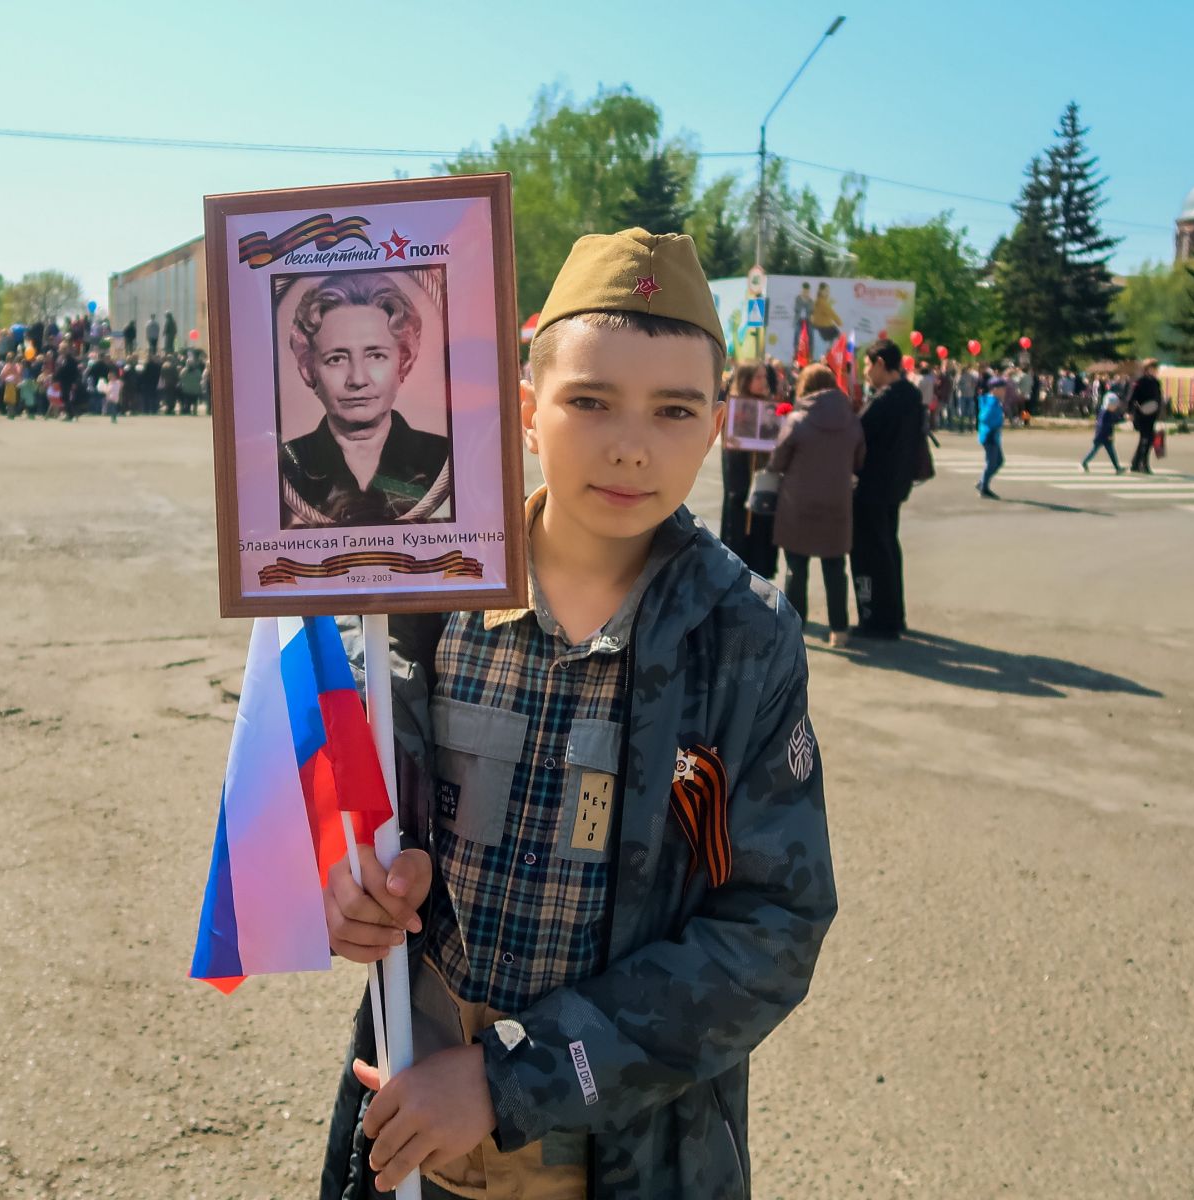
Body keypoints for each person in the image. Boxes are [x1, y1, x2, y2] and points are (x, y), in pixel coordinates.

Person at [318, 227, 834, 1200]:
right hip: (409, 1118)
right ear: (527, 409)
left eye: (675, 410)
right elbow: (350, 794)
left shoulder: (741, 638)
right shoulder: (430, 591)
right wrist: (348, 885)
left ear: (717, 423)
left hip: (625, 1149)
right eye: (590, 400)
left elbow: (774, 925)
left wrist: (515, 1077)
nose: (632, 444)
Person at [279, 272, 451, 527]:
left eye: (376, 356)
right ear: (309, 368)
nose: (358, 379)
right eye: (336, 358)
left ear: (403, 361)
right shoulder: (286, 465)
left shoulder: (444, 457)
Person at [771, 362, 864, 647]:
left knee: (796, 567)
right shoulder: (852, 420)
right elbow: (859, 460)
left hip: (798, 502)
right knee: (835, 567)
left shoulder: (798, 420)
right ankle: (840, 629)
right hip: (837, 502)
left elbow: (778, 461)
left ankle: (795, 627)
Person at [851, 339, 924, 639]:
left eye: (868, 365)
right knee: (889, 548)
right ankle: (894, 614)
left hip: (872, 487)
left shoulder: (884, 401)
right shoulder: (912, 395)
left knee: (870, 554)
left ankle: (876, 619)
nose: (866, 372)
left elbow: (858, 433)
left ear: (881, 363)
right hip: (896, 485)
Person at [717, 361, 780, 577]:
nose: (764, 382)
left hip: (763, 485)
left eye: (765, 377)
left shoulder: (769, 405)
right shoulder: (735, 408)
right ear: (746, 380)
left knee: (761, 540)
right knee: (740, 533)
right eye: (758, 377)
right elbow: (732, 459)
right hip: (741, 487)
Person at [1127, 359, 1163, 474]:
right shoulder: (1140, 381)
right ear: (1147, 369)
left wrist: (1160, 412)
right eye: (1154, 368)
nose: (1156, 370)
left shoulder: (1156, 382)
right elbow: (1132, 397)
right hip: (1141, 414)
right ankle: (1143, 464)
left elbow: (1158, 398)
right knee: (1146, 439)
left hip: (1152, 414)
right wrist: (1130, 412)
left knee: (1148, 439)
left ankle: (1136, 463)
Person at [1082, 382, 1126, 473]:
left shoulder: (1104, 411)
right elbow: (1108, 424)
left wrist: (1123, 418)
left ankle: (1117, 468)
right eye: (1115, 405)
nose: (1116, 407)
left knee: (1103, 451)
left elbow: (1114, 420)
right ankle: (1117, 468)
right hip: (1104, 435)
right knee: (1099, 451)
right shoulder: (1107, 413)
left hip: (1101, 434)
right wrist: (1109, 434)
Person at [976, 375, 1006, 498]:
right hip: (990, 435)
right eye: (1002, 388)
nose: (1004, 391)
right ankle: (984, 488)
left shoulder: (993, 401)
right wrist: (996, 425)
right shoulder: (991, 402)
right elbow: (984, 417)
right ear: (994, 389)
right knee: (992, 463)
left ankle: (982, 482)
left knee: (999, 461)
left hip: (992, 435)